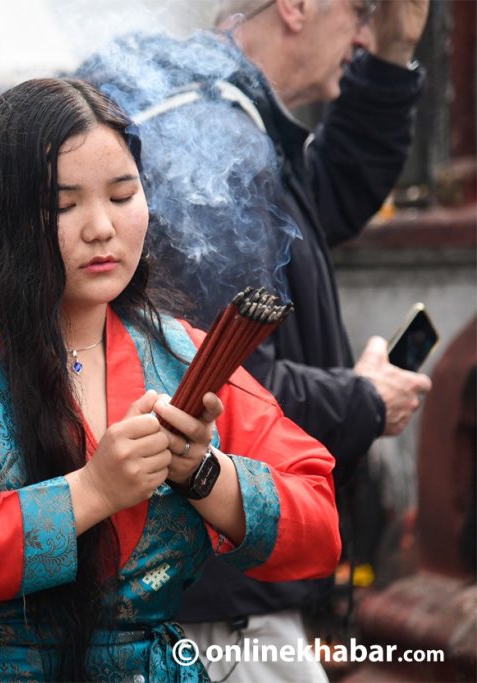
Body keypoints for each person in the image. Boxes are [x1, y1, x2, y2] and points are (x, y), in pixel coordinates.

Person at [0, 77, 341, 682]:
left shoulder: (179, 350)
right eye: (64, 205)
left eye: (121, 194)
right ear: (1, 218)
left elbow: (318, 528)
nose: (101, 227)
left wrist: (203, 471)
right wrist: (91, 493)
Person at [76, 0, 433, 679]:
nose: (363, 31)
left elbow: (333, 192)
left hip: (233, 588)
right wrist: (362, 400)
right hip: (219, 603)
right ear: (296, 7)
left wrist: (390, 59)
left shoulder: (230, 119)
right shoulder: (206, 137)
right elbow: (227, 384)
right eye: (360, 11)